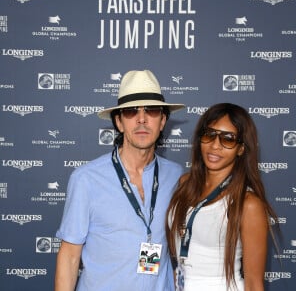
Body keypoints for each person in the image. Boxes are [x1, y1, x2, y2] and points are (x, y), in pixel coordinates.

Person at [55, 70, 185, 291]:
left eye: (151, 111)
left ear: (163, 121)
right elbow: (69, 257)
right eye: (131, 111)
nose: (142, 119)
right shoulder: (86, 179)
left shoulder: (177, 177)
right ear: (119, 121)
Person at [166, 103, 278, 291]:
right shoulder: (185, 183)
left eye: (228, 139)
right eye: (209, 134)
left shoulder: (248, 204)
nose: (215, 145)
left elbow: (253, 284)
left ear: (241, 148)